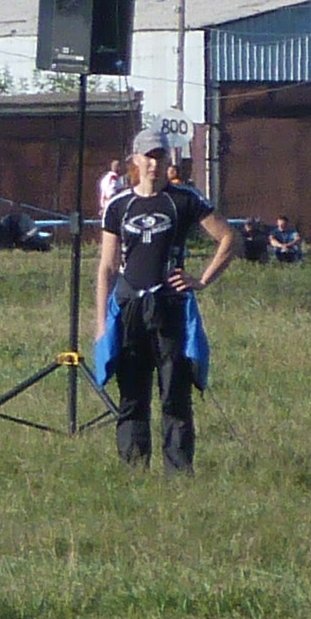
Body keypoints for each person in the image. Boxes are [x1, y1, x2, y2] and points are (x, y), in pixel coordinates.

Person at [92, 135, 239, 473]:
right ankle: (134, 470)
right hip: (130, 308)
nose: (154, 164)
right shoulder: (119, 205)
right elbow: (107, 267)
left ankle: (179, 472)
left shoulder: (183, 200)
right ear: (135, 160)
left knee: (175, 394)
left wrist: (202, 280)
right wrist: (101, 323)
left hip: (170, 308)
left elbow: (228, 237)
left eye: (160, 157)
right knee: (132, 394)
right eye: (148, 157)